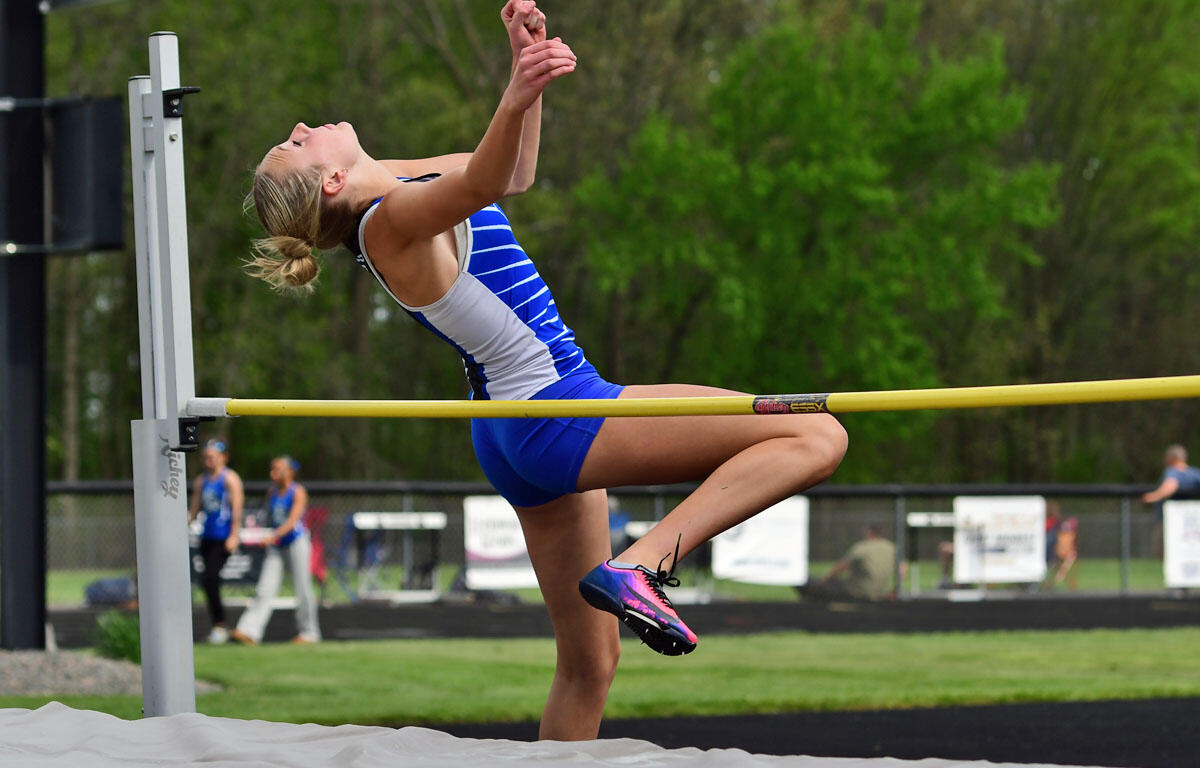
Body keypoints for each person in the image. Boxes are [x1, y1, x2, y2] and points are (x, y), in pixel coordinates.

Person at [245, 0, 847, 740]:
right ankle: (645, 564)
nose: (301, 128)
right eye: (294, 145)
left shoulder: (391, 185)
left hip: (511, 433)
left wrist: (519, 71)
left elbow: (513, 172)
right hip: (555, 412)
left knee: (588, 666)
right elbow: (485, 184)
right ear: (331, 181)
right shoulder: (389, 223)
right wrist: (518, 89)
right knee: (816, 435)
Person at [230, 456, 322, 645]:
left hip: (296, 542)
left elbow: (292, 521)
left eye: (278, 469)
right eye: (272, 469)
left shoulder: (298, 491)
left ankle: (310, 633)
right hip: (277, 545)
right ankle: (249, 631)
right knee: (265, 588)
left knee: (303, 588)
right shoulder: (272, 492)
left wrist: (273, 536)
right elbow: (270, 520)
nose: (273, 473)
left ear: (289, 472)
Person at [187, 439, 244, 644]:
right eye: (206, 457)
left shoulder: (230, 478)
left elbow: (237, 510)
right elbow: (194, 509)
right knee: (207, 582)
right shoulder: (202, 480)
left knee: (210, 578)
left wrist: (234, 535)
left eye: (213, 456)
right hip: (207, 537)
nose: (208, 460)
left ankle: (220, 625)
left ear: (223, 457)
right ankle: (218, 625)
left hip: (223, 538)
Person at [801, 524, 898, 601]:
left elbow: (841, 566)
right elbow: (902, 569)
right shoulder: (891, 548)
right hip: (882, 592)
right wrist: (894, 590)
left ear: (869, 532)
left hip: (857, 591)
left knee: (814, 584)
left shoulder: (862, 547)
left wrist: (825, 580)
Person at [1141, 444, 1200, 557]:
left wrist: (1154, 496)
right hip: (1190, 526)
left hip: (1169, 523)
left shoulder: (1172, 471)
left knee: (1163, 555)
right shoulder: (1194, 473)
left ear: (1170, 459)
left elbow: (1171, 484)